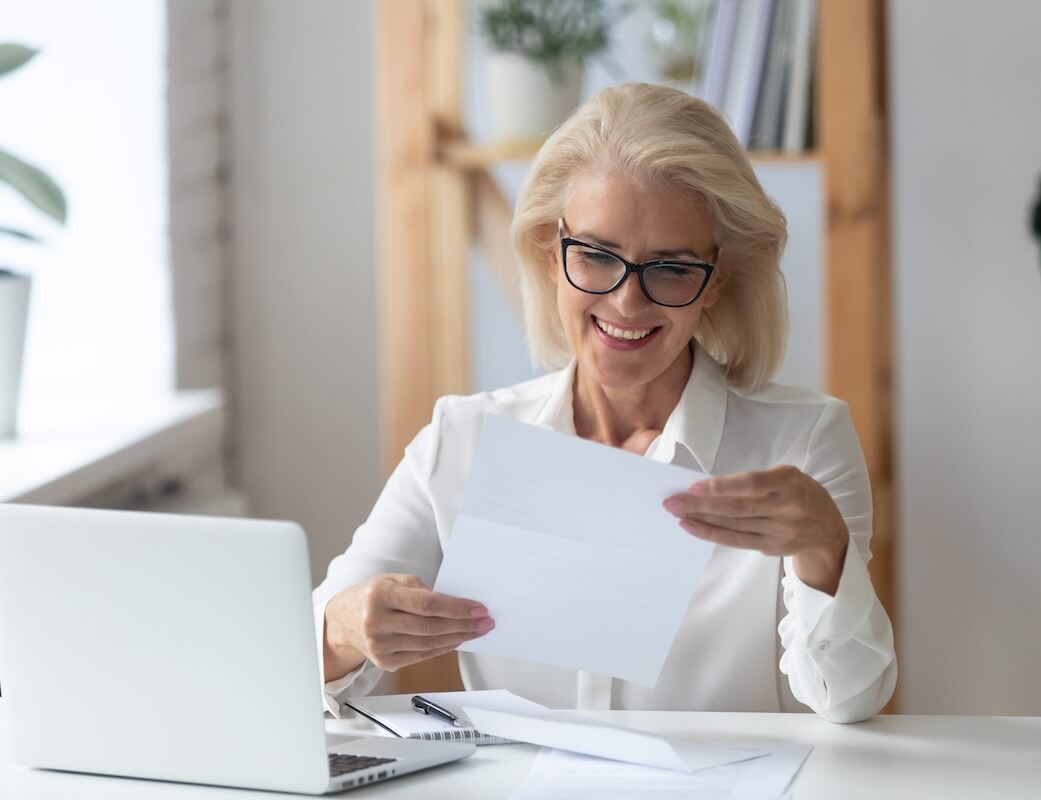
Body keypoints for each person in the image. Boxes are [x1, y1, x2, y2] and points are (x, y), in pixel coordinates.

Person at [314, 83, 896, 723]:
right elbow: (292, 660)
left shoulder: (803, 444)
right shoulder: (464, 440)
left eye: (671, 268)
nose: (626, 303)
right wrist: (343, 629)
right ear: (549, 252)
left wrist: (823, 553)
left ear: (716, 282)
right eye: (595, 256)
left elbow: (852, 701)